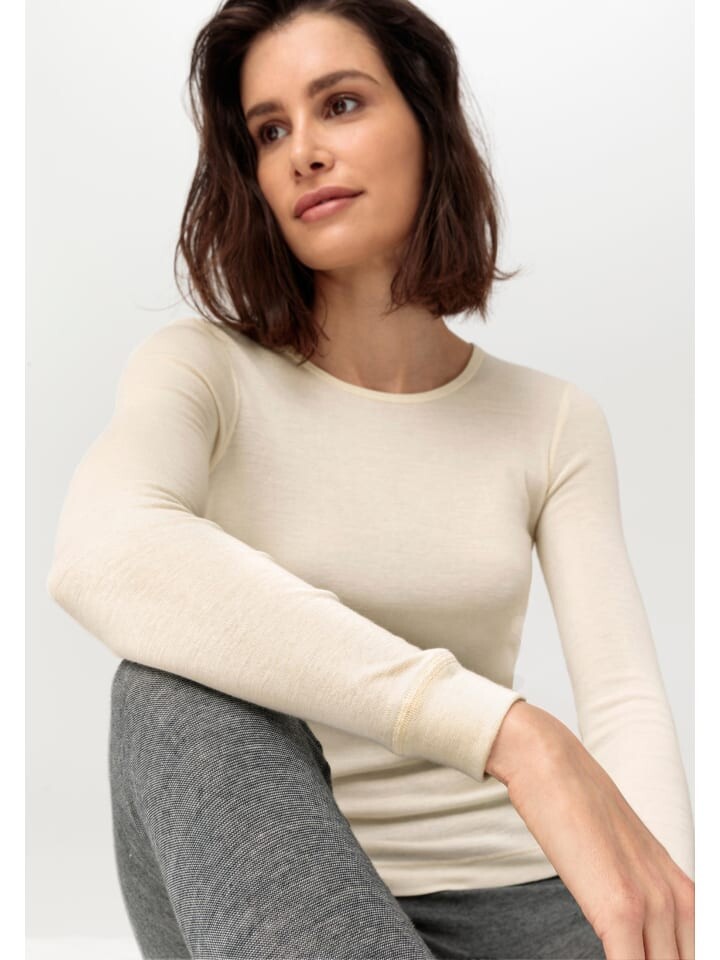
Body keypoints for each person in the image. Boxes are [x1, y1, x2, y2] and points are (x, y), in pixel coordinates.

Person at [46, 0, 695, 957]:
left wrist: (665, 919)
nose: (304, 153)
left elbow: (626, 704)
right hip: (287, 900)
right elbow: (102, 552)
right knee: (163, 693)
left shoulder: (551, 420)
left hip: (529, 903)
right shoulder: (202, 373)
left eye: (340, 105)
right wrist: (510, 734)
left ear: (427, 123)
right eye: (270, 131)